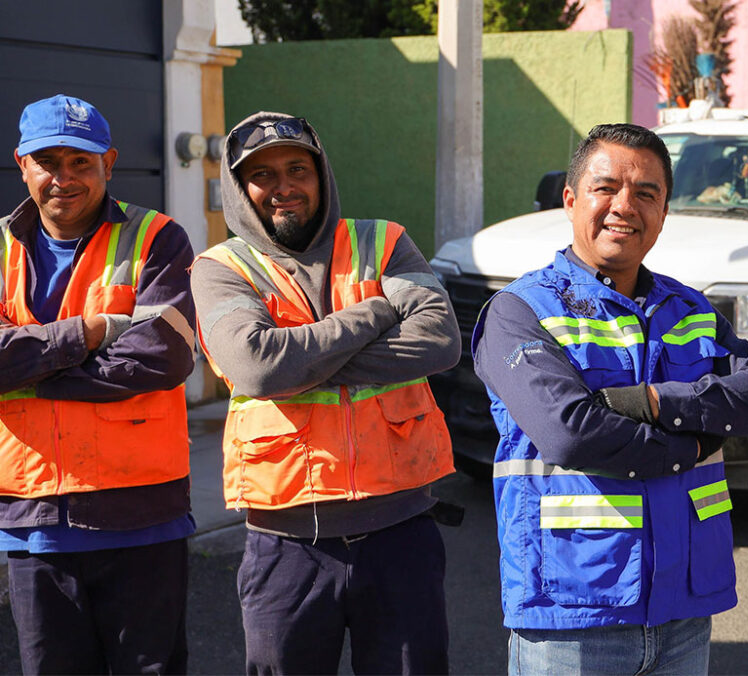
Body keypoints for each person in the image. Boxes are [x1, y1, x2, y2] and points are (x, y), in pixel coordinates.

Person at [471, 123, 748, 674]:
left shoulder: (689, 308)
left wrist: (653, 401)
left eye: (646, 193)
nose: (625, 205)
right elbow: (568, 433)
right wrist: (691, 446)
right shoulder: (518, 311)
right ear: (570, 200)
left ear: (664, 212)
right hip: (572, 615)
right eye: (606, 188)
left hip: (684, 610)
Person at [190, 112, 461, 674]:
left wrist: (302, 362)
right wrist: (376, 312)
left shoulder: (383, 241)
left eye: (298, 169)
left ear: (323, 176)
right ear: (240, 189)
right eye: (262, 175)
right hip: (286, 547)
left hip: (400, 534)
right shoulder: (221, 268)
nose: (283, 186)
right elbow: (257, 367)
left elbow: (439, 341)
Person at [0, 94, 196, 673]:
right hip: (32, 520)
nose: (65, 178)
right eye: (48, 161)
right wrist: (87, 333)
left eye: (81, 162)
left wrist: (26, 374)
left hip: (142, 514)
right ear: (22, 164)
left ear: (109, 162)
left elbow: (162, 356)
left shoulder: (158, 239)